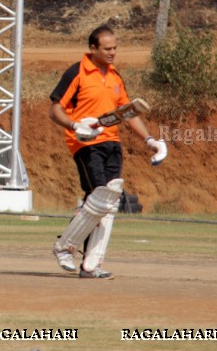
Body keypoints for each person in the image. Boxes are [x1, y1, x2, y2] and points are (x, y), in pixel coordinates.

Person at [48, 24, 166, 278]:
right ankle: (64, 247)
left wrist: (149, 140)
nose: (113, 53)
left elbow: (128, 113)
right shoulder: (77, 72)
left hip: (113, 144)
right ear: (93, 48)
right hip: (86, 144)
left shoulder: (114, 76)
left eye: (115, 48)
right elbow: (55, 108)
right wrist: (73, 124)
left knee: (108, 202)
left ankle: (91, 264)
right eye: (107, 48)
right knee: (100, 197)